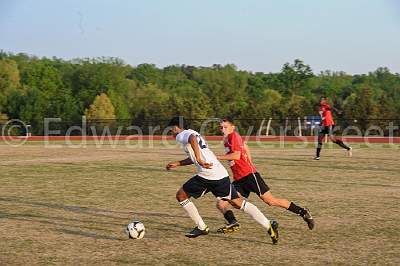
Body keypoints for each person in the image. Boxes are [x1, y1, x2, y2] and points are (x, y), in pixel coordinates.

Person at [165, 116, 279, 244]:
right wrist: (178, 163)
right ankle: (268, 224)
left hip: (207, 176)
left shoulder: (182, 134)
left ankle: (201, 227)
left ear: (176, 127)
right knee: (238, 203)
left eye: (171, 130)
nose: (171, 133)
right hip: (219, 174)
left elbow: (195, 149)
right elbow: (196, 154)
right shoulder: (195, 133)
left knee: (181, 196)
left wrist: (199, 159)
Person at [215, 116, 314, 234]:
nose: (223, 129)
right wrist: (250, 162)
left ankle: (302, 212)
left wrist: (217, 157)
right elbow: (245, 147)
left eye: (225, 127)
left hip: (249, 176)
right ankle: (233, 222)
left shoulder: (234, 136)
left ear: (233, 127)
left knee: (270, 201)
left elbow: (236, 155)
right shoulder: (228, 139)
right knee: (222, 203)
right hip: (239, 179)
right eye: (221, 127)